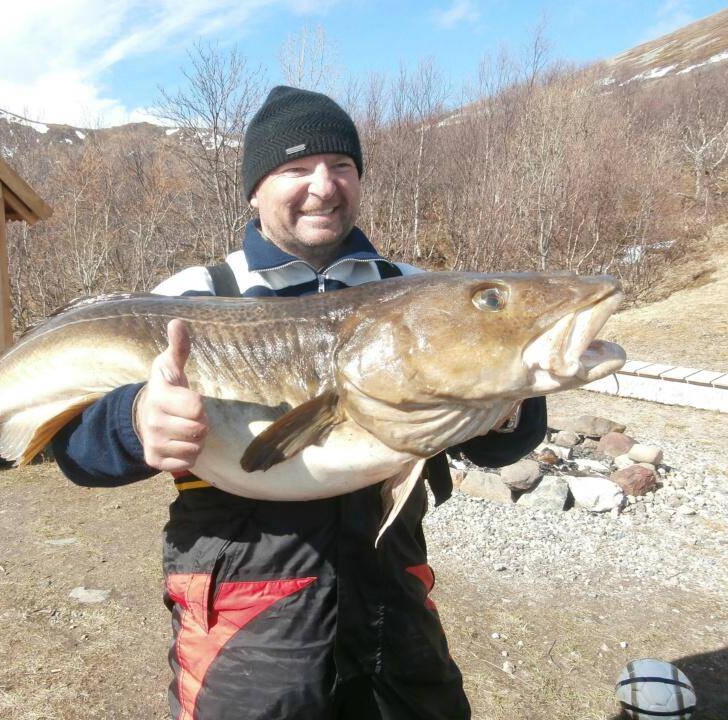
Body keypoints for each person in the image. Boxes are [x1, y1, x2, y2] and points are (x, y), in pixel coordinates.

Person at [51, 85, 547, 720]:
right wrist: (131, 421)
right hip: (246, 627)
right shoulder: (190, 296)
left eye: (341, 166)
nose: (324, 184)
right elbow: (74, 449)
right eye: (295, 168)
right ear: (255, 190)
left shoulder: (416, 292)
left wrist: (512, 403)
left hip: (393, 610)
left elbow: (499, 439)